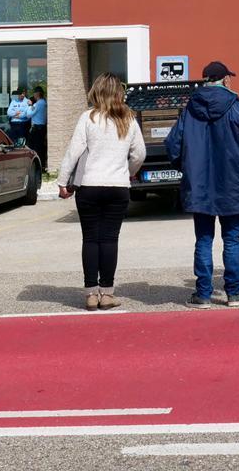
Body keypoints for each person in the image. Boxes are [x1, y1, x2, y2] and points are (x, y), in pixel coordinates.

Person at [165, 61, 239, 309]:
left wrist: (188, 168)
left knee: (203, 239)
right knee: (232, 238)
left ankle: (202, 294)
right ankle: (234, 292)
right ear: (224, 80)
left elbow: (173, 146)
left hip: (199, 186)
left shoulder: (189, 109)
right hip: (233, 184)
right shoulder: (237, 109)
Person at [57, 75, 147, 309]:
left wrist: (62, 181)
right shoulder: (128, 119)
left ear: (96, 92)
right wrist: (128, 171)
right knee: (109, 239)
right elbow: (140, 154)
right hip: (117, 186)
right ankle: (107, 293)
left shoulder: (88, 117)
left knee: (90, 238)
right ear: (119, 92)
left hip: (89, 186)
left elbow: (73, 152)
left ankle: (90, 293)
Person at [25, 88, 48, 161]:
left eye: (34, 93)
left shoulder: (38, 104)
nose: (33, 95)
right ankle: (41, 163)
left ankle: (36, 163)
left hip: (37, 128)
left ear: (37, 94)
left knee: (33, 147)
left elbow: (29, 115)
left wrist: (29, 106)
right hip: (42, 127)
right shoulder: (44, 102)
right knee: (40, 146)